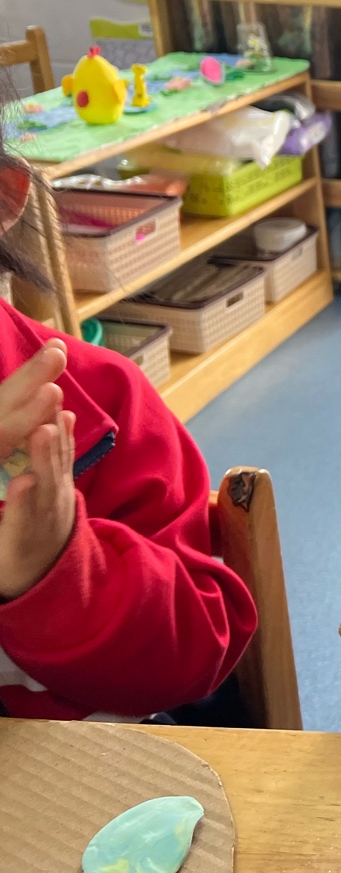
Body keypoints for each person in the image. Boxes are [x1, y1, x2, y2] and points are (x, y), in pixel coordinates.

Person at [0, 151, 256, 720]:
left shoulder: (103, 400)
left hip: (99, 764)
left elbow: (197, 649)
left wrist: (56, 569)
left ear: (5, 196)